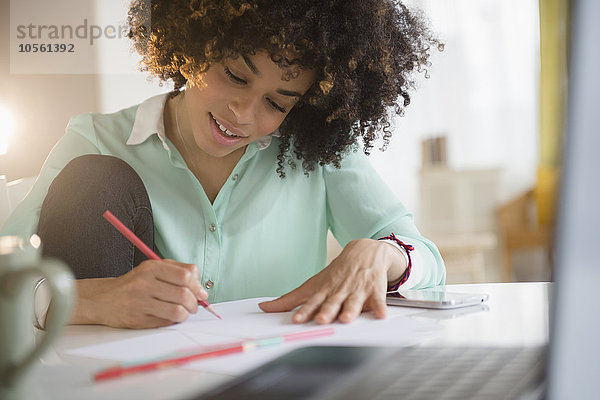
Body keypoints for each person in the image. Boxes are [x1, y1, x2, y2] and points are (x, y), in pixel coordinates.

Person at [1, 0, 445, 329]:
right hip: (121, 380)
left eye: (277, 103)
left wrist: (382, 254)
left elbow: (426, 260)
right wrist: (84, 301)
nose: (243, 113)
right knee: (95, 178)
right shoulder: (96, 140)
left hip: (275, 382)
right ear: (194, 48)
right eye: (235, 75)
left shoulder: (317, 154)